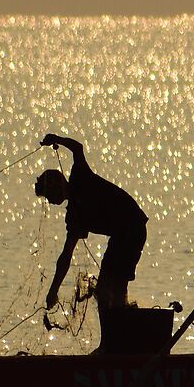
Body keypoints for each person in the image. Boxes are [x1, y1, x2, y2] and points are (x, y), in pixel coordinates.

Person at [35, 134, 148, 323]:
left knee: (112, 286)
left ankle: (119, 332)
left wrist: (57, 139)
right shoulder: (74, 217)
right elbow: (66, 255)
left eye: (48, 195)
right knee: (107, 289)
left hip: (132, 227)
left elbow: (77, 148)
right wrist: (53, 290)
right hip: (120, 236)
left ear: (57, 184)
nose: (49, 201)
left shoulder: (80, 177)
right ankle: (117, 331)